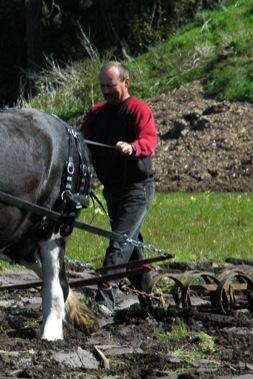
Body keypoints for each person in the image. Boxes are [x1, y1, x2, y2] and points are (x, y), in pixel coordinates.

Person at [80, 61, 158, 314]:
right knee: (131, 248)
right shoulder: (96, 113)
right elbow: (82, 141)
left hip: (137, 188)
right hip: (112, 189)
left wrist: (132, 147)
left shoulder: (138, 109)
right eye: (102, 86)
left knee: (119, 242)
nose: (106, 91)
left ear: (126, 82)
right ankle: (150, 301)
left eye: (111, 86)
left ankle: (104, 301)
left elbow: (149, 139)